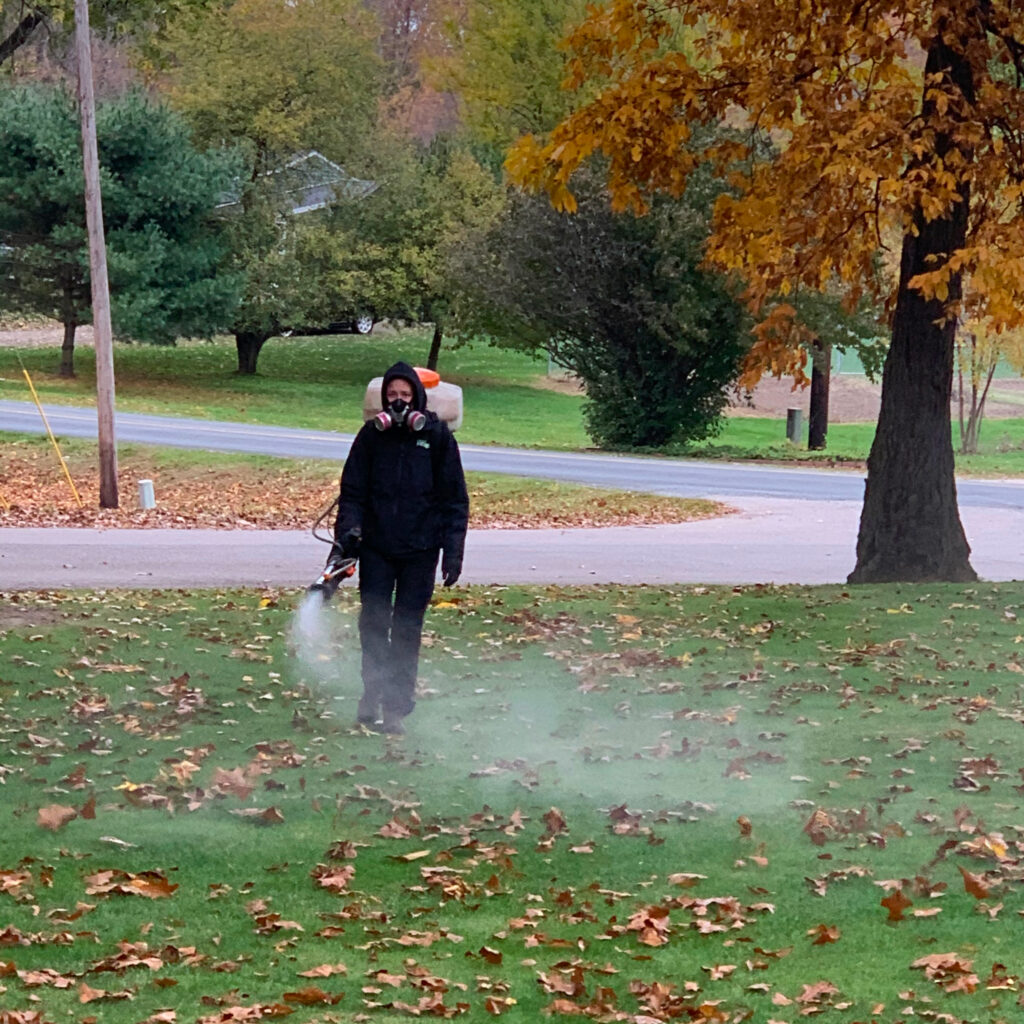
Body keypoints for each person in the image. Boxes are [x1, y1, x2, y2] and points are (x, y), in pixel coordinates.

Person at [332, 361, 469, 735]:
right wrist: (347, 537)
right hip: (377, 548)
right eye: (391, 395)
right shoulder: (370, 437)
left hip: (421, 550)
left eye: (404, 395)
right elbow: (352, 494)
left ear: (418, 399)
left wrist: (453, 552)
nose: (397, 402)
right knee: (374, 624)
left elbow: (455, 500)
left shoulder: (438, 438)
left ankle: (396, 708)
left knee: (407, 630)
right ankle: (371, 695)